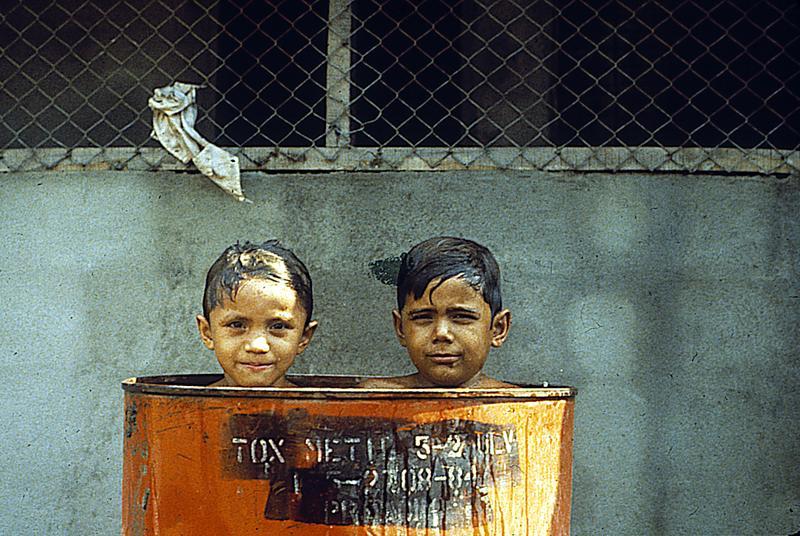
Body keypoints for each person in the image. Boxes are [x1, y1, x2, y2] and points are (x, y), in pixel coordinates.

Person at [361, 236, 514, 388]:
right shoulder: (370, 399)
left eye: (461, 317)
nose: (441, 333)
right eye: (423, 317)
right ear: (401, 328)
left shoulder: (520, 406)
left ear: (498, 329)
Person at [196, 240, 317, 387]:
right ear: (207, 332)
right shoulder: (180, 407)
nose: (257, 346)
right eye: (237, 325)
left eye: (278, 326)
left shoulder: (324, 408)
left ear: (304, 337)